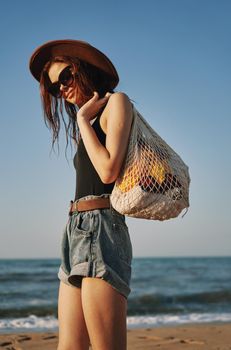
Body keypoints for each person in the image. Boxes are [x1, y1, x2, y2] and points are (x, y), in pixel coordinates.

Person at [29, 39, 133, 350]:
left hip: (102, 228)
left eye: (65, 77)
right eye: (54, 87)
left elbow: (108, 171)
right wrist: (83, 122)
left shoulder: (117, 103)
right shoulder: (87, 119)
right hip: (74, 230)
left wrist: (82, 121)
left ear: (82, 69)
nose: (61, 89)